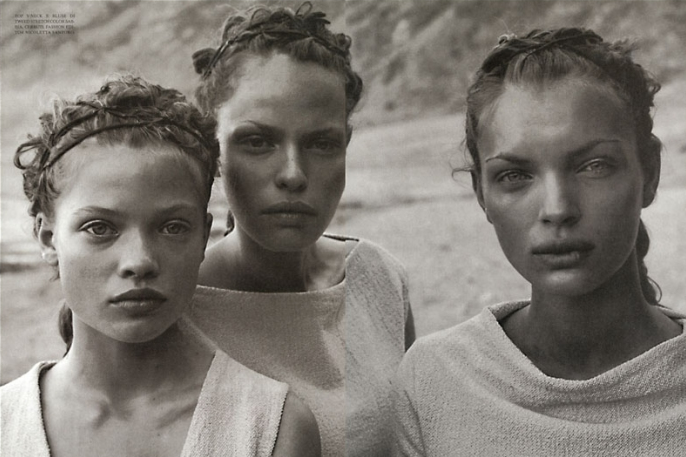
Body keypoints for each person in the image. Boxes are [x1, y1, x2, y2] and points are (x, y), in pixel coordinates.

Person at [392, 28, 686, 456]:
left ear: (650, 174)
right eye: (515, 176)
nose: (557, 208)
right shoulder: (435, 381)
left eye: (594, 165)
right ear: (482, 195)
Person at [1, 75, 320, 457]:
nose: (140, 262)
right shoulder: (7, 423)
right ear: (48, 237)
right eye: (99, 228)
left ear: (203, 236)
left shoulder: (270, 427)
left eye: (171, 228)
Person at [186, 3, 415, 456]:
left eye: (321, 143)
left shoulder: (377, 278)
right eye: (258, 141)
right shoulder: (174, 308)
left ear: (346, 144)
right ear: (213, 148)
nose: (293, 173)